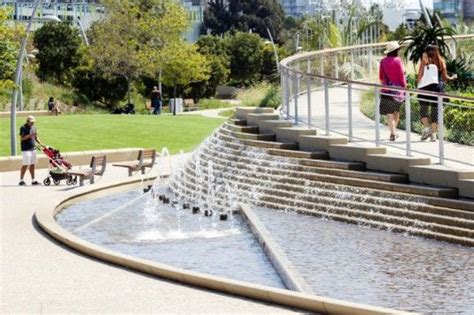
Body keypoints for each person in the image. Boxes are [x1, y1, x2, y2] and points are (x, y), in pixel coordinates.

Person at [417, 44, 457, 142]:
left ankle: (427, 129)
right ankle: (433, 134)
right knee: (436, 111)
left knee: (423, 110)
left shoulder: (424, 61)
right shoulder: (441, 61)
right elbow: (445, 78)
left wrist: (418, 86)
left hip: (425, 89)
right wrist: (453, 77)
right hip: (437, 89)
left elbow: (420, 75)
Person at [379, 42, 407, 141]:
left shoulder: (382, 62)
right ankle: (394, 132)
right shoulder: (398, 61)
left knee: (389, 113)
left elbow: (381, 77)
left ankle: (393, 133)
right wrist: (405, 88)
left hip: (386, 90)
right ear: (396, 51)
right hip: (398, 91)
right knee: (396, 111)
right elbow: (401, 78)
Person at [19, 115, 43, 186]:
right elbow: (22, 138)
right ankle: (21, 180)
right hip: (26, 149)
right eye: (31, 122)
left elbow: (36, 137)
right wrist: (30, 135)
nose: (32, 123)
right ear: (27, 121)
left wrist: (41, 144)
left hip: (33, 148)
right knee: (25, 164)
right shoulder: (23, 127)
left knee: (32, 164)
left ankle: (33, 180)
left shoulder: (34, 127)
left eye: (33, 122)